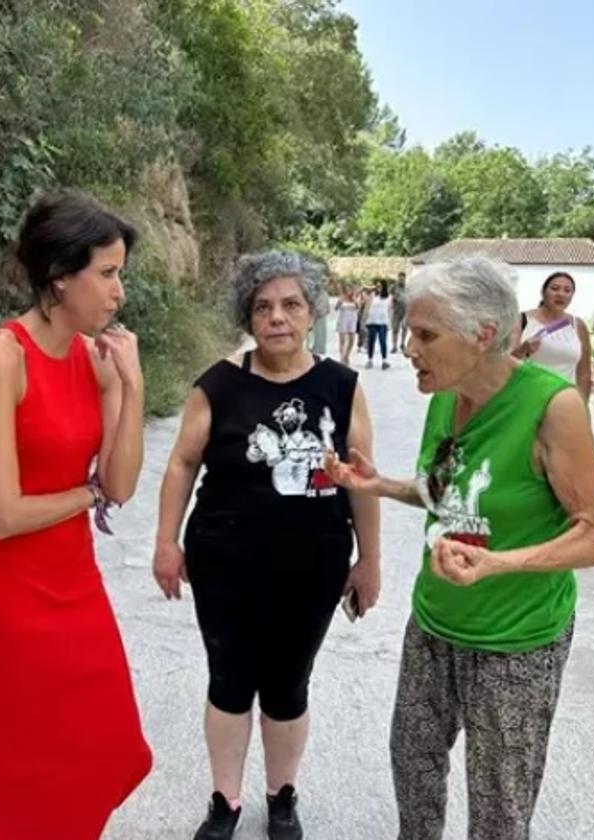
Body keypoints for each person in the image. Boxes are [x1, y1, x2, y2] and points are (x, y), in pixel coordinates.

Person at [325, 256, 594, 840]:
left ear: (483, 335)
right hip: (435, 622)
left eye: (426, 335)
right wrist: (377, 484)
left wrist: (498, 563)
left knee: (499, 805)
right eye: (410, 332)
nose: (409, 347)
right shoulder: (446, 394)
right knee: (414, 764)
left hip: (516, 640)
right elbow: (446, 494)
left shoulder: (551, 407)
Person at [152, 250, 381, 840]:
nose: (277, 317)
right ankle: (224, 801)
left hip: (314, 563)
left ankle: (282, 797)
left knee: (288, 684)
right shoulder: (218, 386)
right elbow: (180, 464)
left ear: (311, 313)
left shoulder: (341, 386)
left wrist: (370, 562)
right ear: (248, 317)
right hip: (225, 560)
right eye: (263, 307)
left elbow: (362, 478)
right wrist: (166, 543)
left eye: (291, 305)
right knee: (228, 679)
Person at [0, 191, 152, 839]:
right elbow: (5, 513)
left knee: (99, 744)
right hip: (9, 592)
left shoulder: (95, 359)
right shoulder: (0, 359)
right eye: (108, 273)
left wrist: (131, 385)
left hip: (74, 579)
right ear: (60, 276)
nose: (118, 292)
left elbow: (120, 484)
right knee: (21, 764)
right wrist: (84, 496)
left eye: (120, 273)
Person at [514, 271, 593, 399]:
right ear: (543, 292)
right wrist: (524, 349)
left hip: (564, 401)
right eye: (555, 288)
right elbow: (505, 362)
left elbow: (584, 373)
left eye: (567, 290)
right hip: (527, 397)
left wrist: (582, 405)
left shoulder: (578, 325)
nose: (561, 294)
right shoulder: (521, 320)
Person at [363, 282, 391, 369]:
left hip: (383, 321)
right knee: (371, 341)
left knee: (383, 341)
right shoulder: (372, 295)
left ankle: (384, 361)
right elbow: (367, 307)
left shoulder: (389, 297)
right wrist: (364, 318)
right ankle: (370, 360)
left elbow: (390, 310)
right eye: (377, 286)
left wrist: (390, 322)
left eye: (380, 286)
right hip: (372, 321)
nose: (378, 288)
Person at [334, 284, 359, 365]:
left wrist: (355, 301)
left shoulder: (355, 298)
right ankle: (342, 357)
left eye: (350, 289)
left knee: (352, 339)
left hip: (352, 320)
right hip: (343, 319)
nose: (348, 291)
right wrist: (339, 302)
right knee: (342, 340)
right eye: (347, 289)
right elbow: (336, 308)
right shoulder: (342, 297)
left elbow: (358, 307)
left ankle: (347, 355)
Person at [389, 272, 408, 352]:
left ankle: (402, 344)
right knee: (395, 329)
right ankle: (394, 346)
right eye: (400, 278)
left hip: (405, 310)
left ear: (405, 278)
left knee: (404, 328)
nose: (401, 280)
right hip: (396, 311)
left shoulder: (408, 287)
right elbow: (389, 293)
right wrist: (393, 298)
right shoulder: (394, 287)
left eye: (402, 278)